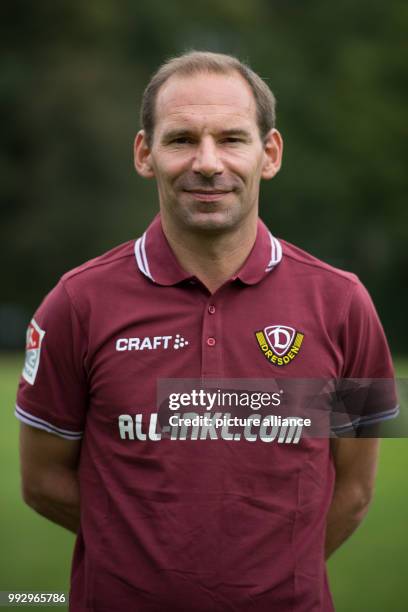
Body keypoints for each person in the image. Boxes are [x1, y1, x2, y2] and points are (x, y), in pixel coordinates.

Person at [16, 51, 398, 612]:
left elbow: (357, 489)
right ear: (145, 154)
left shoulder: (344, 302)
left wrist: (269, 572)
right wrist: (144, 556)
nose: (208, 163)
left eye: (232, 139)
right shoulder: (76, 302)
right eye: (181, 140)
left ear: (269, 154)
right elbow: (41, 481)